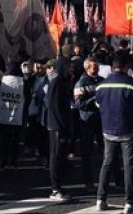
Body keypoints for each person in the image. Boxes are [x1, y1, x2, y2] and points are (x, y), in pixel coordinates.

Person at [95, 53, 133, 214]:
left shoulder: (101, 86)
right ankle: (129, 202)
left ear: (112, 67)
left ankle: (101, 199)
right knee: (129, 166)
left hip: (108, 129)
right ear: (126, 66)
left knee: (107, 163)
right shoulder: (131, 84)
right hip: (129, 129)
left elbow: (98, 104)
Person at [74, 56, 104, 190]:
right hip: (87, 120)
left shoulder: (102, 80)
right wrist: (94, 98)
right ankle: (88, 180)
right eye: (94, 67)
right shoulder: (81, 83)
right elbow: (79, 104)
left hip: (101, 120)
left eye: (97, 66)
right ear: (87, 68)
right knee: (87, 153)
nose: (97, 69)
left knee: (107, 151)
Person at [46, 56, 74, 201]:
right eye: (69, 66)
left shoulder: (62, 81)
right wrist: (61, 124)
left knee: (60, 156)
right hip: (57, 125)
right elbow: (54, 105)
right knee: (55, 157)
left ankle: (58, 186)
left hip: (60, 124)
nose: (71, 69)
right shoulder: (57, 82)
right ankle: (55, 189)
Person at [0, 61, 27, 170]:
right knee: (15, 140)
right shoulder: (23, 82)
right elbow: (28, 98)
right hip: (17, 115)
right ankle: (13, 162)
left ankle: (2, 162)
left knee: (4, 140)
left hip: (3, 113)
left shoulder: (2, 81)